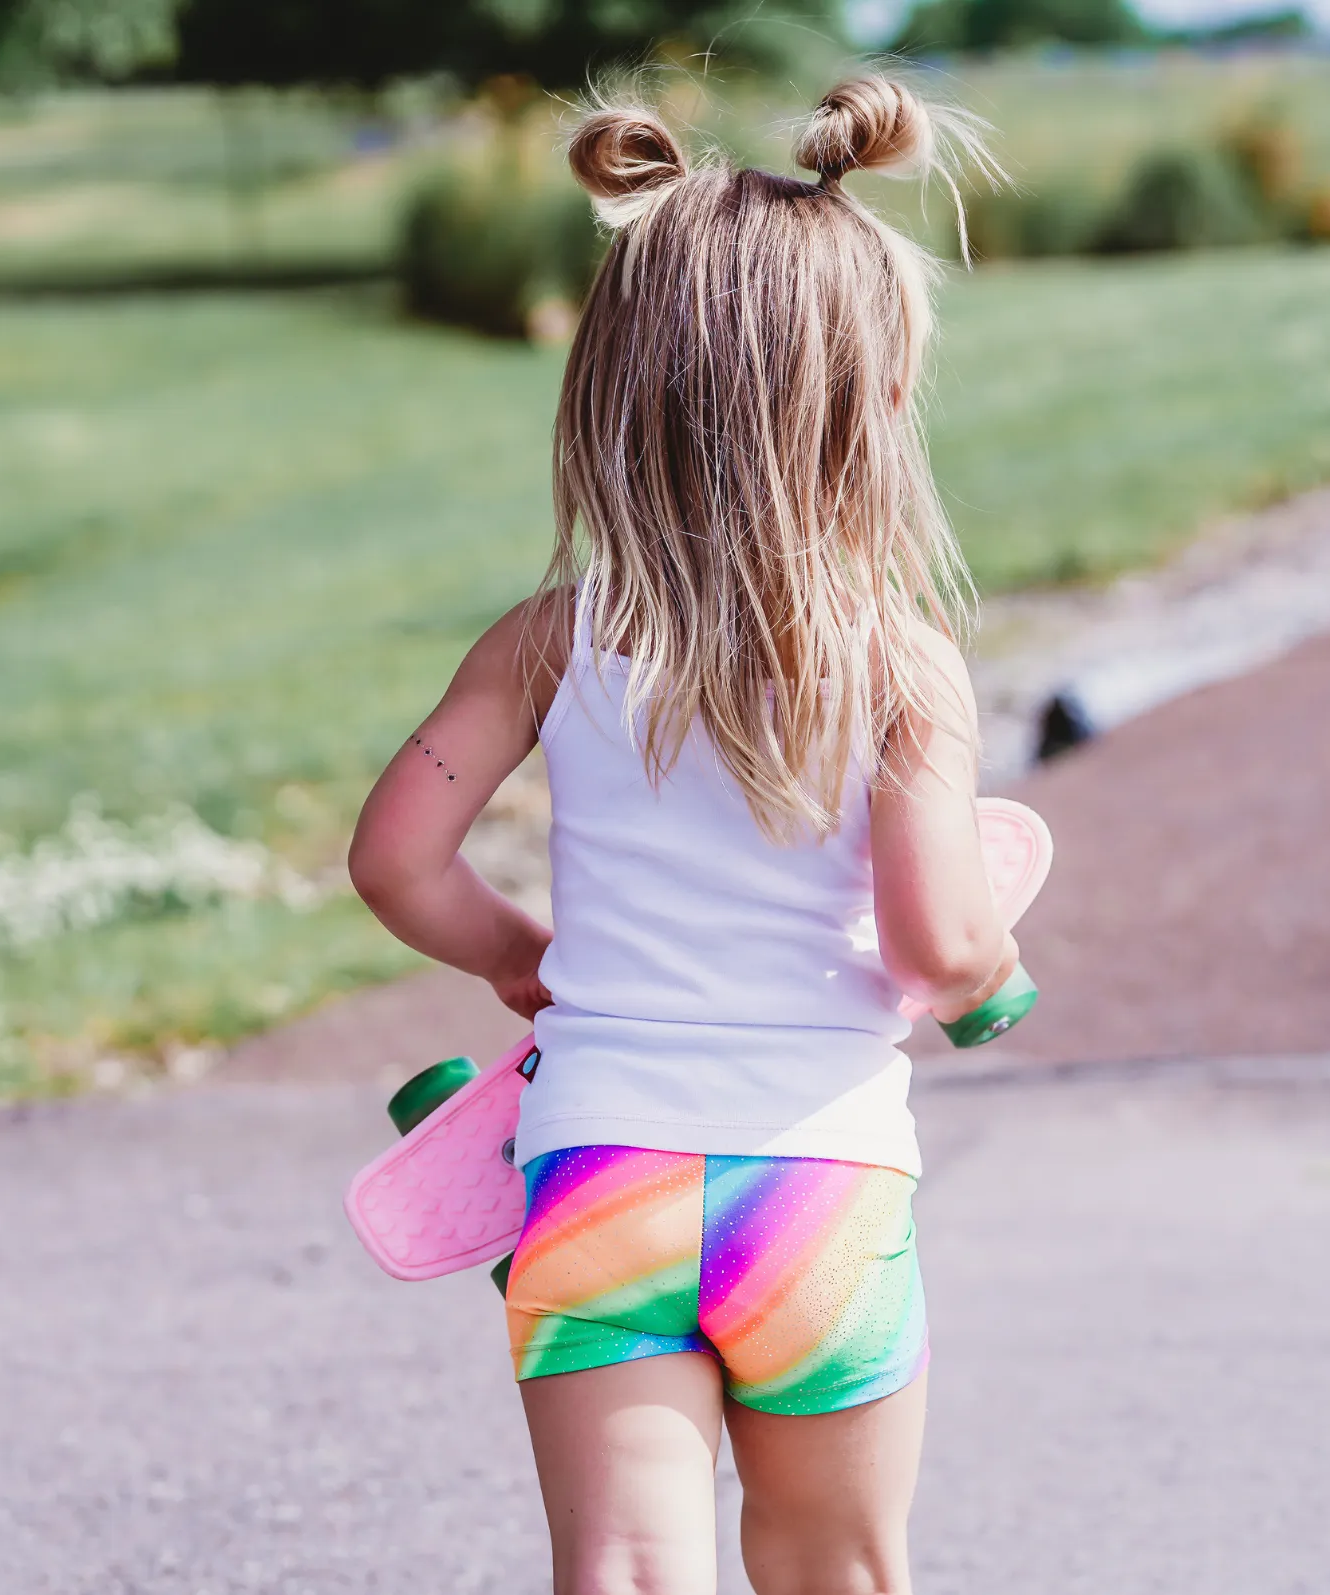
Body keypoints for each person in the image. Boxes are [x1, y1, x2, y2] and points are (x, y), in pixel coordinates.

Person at [348, 76, 1019, 1595]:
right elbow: (938, 940)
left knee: (628, 1568)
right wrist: (988, 962)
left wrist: (531, 961)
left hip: (598, 1174)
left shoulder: (552, 640)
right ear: (878, 404)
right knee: (835, 1561)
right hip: (817, 1185)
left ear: (613, 393)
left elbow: (394, 859)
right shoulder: (899, 661)